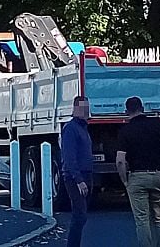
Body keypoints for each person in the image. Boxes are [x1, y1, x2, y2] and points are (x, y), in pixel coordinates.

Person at [116, 96, 160, 247]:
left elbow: (120, 160)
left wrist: (125, 180)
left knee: (142, 220)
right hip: (158, 175)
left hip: (136, 177)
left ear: (126, 112)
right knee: (159, 218)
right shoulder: (156, 124)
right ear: (142, 109)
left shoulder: (125, 131)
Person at [61, 96, 93, 247]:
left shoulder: (83, 128)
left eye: (87, 107)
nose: (86, 111)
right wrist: (78, 179)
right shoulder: (71, 129)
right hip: (75, 177)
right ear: (75, 109)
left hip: (85, 174)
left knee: (81, 215)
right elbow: (69, 156)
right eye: (82, 108)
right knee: (79, 214)